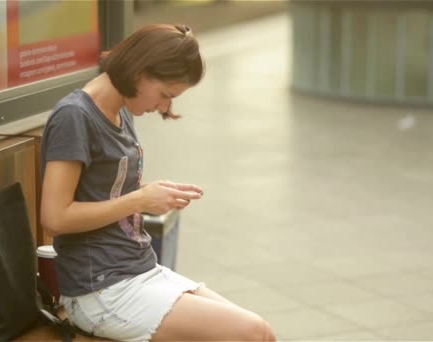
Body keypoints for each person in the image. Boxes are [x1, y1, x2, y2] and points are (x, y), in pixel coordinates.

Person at [40, 24, 276, 342]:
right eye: (165, 95)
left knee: (261, 334)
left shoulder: (120, 111)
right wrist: (139, 200)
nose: (164, 107)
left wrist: (153, 193)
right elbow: (54, 218)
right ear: (139, 71)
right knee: (252, 334)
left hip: (137, 271)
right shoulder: (74, 117)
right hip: (99, 290)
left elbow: (105, 194)